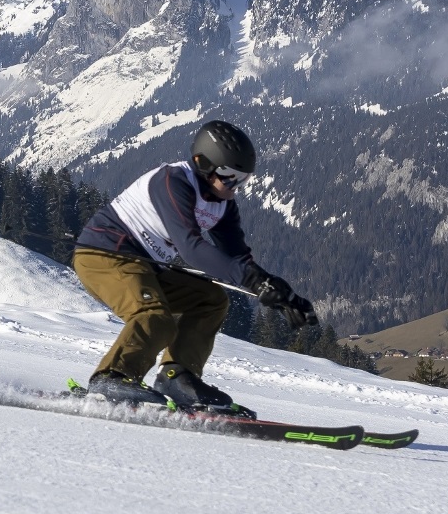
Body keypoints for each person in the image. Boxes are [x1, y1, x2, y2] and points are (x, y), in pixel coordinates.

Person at [72, 120, 315, 408]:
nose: (235, 187)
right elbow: (191, 247)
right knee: (154, 317)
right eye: (229, 177)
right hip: (104, 256)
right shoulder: (173, 181)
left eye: (243, 180)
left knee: (210, 299)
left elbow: (237, 257)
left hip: (144, 266)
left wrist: (276, 291)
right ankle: (111, 379)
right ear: (203, 164)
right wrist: (253, 280)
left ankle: (177, 377)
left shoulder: (223, 204)